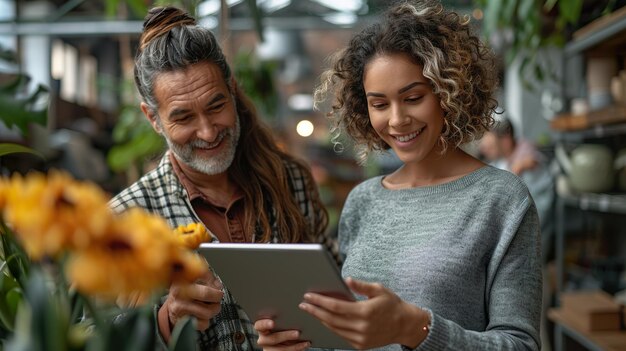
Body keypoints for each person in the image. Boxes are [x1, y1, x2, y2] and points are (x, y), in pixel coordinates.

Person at [255, 1, 542, 350]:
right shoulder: (363, 200)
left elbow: (521, 345)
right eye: (379, 104)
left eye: (413, 97)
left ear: (449, 92)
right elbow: (354, 335)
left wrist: (416, 329)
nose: (396, 119)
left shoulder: (502, 198)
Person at [109, 6, 333, 350]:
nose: (208, 131)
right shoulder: (125, 219)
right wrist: (167, 321)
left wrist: (313, 335)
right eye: (183, 117)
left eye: (216, 106)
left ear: (231, 88)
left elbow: (336, 295)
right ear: (153, 119)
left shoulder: (291, 182)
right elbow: (94, 335)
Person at [479, 117, 554, 258]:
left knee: (534, 249)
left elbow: (531, 161)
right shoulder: (500, 161)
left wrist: (518, 166)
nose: (488, 150)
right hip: (523, 208)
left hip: (539, 206)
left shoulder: (524, 148)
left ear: (506, 139)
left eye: (492, 145)